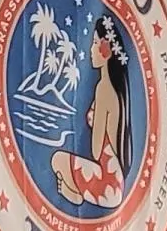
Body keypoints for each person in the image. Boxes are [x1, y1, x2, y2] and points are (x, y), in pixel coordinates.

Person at [49, 12, 135, 209]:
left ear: (107, 51)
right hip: (116, 184)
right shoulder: (118, 91)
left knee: (57, 160)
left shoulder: (103, 89)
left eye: (95, 43)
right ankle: (75, 192)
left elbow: (97, 151)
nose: (90, 50)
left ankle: (75, 193)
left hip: (105, 182)